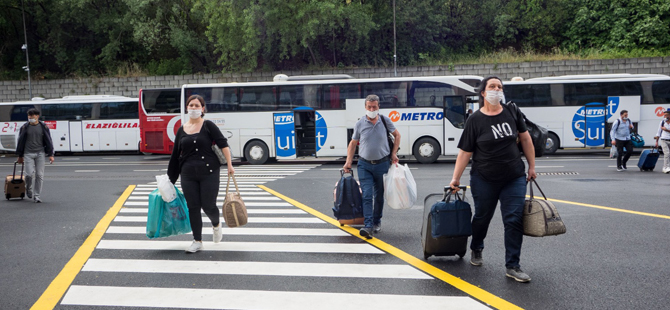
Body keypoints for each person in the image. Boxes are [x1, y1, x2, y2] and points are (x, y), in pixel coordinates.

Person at [449, 76, 537, 283]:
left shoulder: (511, 111)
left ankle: (513, 265)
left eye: (500, 87)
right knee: (482, 217)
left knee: (514, 219)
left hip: (513, 177)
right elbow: (465, 152)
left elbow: (525, 138)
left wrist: (532, 166)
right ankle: (477, 247)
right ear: (483, 93)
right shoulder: (475, 120)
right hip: (484, 178)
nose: (497, 90)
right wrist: (455, 178)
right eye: (492, 86)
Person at [168, 95, 235, 253]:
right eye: (191, 105)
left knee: (208, 205)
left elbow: (223, 144)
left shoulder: (208, 125)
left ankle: (216, 224)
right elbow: (175, 155)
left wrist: (230, 165)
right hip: (188, 174)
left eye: (197, 105)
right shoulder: (181, 130)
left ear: (203, 109)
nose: (193, 108)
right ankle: (197, 241)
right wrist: (170, 179)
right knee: (193, 207)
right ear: (186, 108)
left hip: (209, 172)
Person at [343, 94, 400, 239]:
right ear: (365, 107)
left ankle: (376, 221)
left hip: (382, 164)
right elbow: (353, 143)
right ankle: (368, 226)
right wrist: (348, 162)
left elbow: (397, 135)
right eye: (369, 107)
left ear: (378, 106)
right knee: (367, 195)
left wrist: (394, 153)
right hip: (364, 165)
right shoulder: (360, 123)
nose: (372, 109)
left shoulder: (385, 121)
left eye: (374, 107)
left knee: (379, 196)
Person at [16, 108, 55, 203]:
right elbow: (20, 142)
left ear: (37, 116)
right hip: (28, 153)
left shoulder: (43, 127)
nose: (30, 118)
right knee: (28, 175)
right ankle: (28, 189)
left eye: (32, 116)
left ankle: (37, 195)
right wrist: (20, 156)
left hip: (40, 153)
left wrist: (50, 154)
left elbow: (48, 140)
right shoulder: (24, 127)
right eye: (29, 116)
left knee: (39, 175)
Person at [654, 108, 670, 173]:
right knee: (667, 153)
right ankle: (665, 167)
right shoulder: (662, 122)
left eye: (666, 115)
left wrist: (666, 130)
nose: (664, 117)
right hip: (664, 139)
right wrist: (656, 142)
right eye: (664, 115)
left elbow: (665, 130)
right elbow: (658, 132)